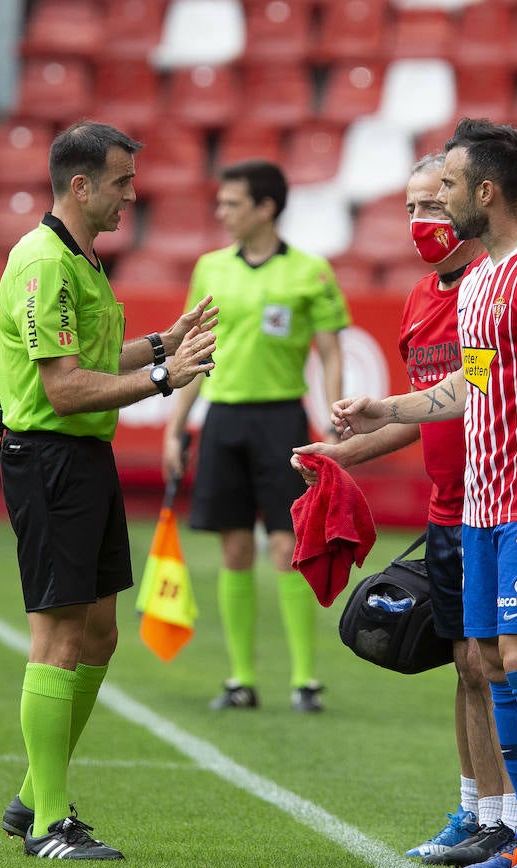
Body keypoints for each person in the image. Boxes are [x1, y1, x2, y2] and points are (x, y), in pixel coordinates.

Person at [333, 118, 517, 868]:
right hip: (479, 504)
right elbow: (467, 384)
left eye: (447, 185)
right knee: (490, 664)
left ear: (485, 191)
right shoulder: (480, 278)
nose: (438, 199)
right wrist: (386, 409)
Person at [0, 120, 218, 860]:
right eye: (122, 181)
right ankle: (51, 823)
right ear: (80, 185)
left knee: (98, 635)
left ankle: (33, 794)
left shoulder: (81, 259)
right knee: (57, 639)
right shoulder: (43, 263)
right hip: (51, 457)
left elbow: (91, 361)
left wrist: (163, 342)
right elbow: (63, 390)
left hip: (84, 460)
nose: (132, 195)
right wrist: (162, 380)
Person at [291, 156, 516, 862]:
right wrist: (340, 453)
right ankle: (476, 811)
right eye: (413, 208)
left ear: (471, 206)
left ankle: (515, 820)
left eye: (436, 205)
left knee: (495, 664)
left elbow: (472, 389)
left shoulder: (491, 292)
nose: (424, 221)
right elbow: (427, 410)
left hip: (497, 502)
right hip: (447, 508)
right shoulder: (420, 300)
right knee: (465, 663)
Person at [162, 159, 351, 713]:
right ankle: (240, 679)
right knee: (235, 546)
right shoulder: (210, 268)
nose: (221, 212)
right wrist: (178, 427)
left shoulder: (311, 272)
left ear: (266, 208)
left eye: (232, 203)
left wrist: (335, 413)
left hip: (281, 421)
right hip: (223, 419)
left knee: (285, 547)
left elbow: (330, 350)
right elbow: (195, 354)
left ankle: (304, 680)